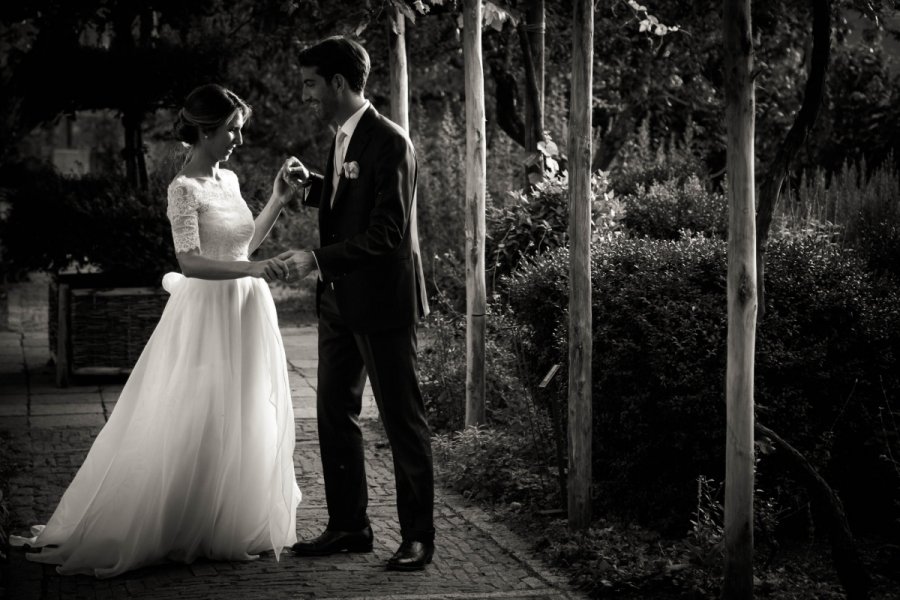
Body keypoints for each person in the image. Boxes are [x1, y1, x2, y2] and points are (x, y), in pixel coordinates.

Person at [11, 84, 302, 578]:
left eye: (240, 129)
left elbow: (242, 244)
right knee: (198, 411)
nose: (238, 138)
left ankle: (220, 522)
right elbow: (189, 263)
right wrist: (252, 271)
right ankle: (175, 520)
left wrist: (276, 199)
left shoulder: (228, 181)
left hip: (243, 311)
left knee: (239, 410)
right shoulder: (183, 188)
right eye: (231, 129)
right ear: (205, 129)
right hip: (207, 314)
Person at [279, 36, 434, 571]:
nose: (305, 95)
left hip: (384, 304)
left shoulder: (391, 142)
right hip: (339, 304)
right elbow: (354, 200)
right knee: (332, 414)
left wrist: (316, 259)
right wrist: (314, 187)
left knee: (401, 420)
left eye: (309, 84)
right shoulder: (343, 136)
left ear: (338, 84)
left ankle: (418, 537)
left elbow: (388, 232)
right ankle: (349, 525)